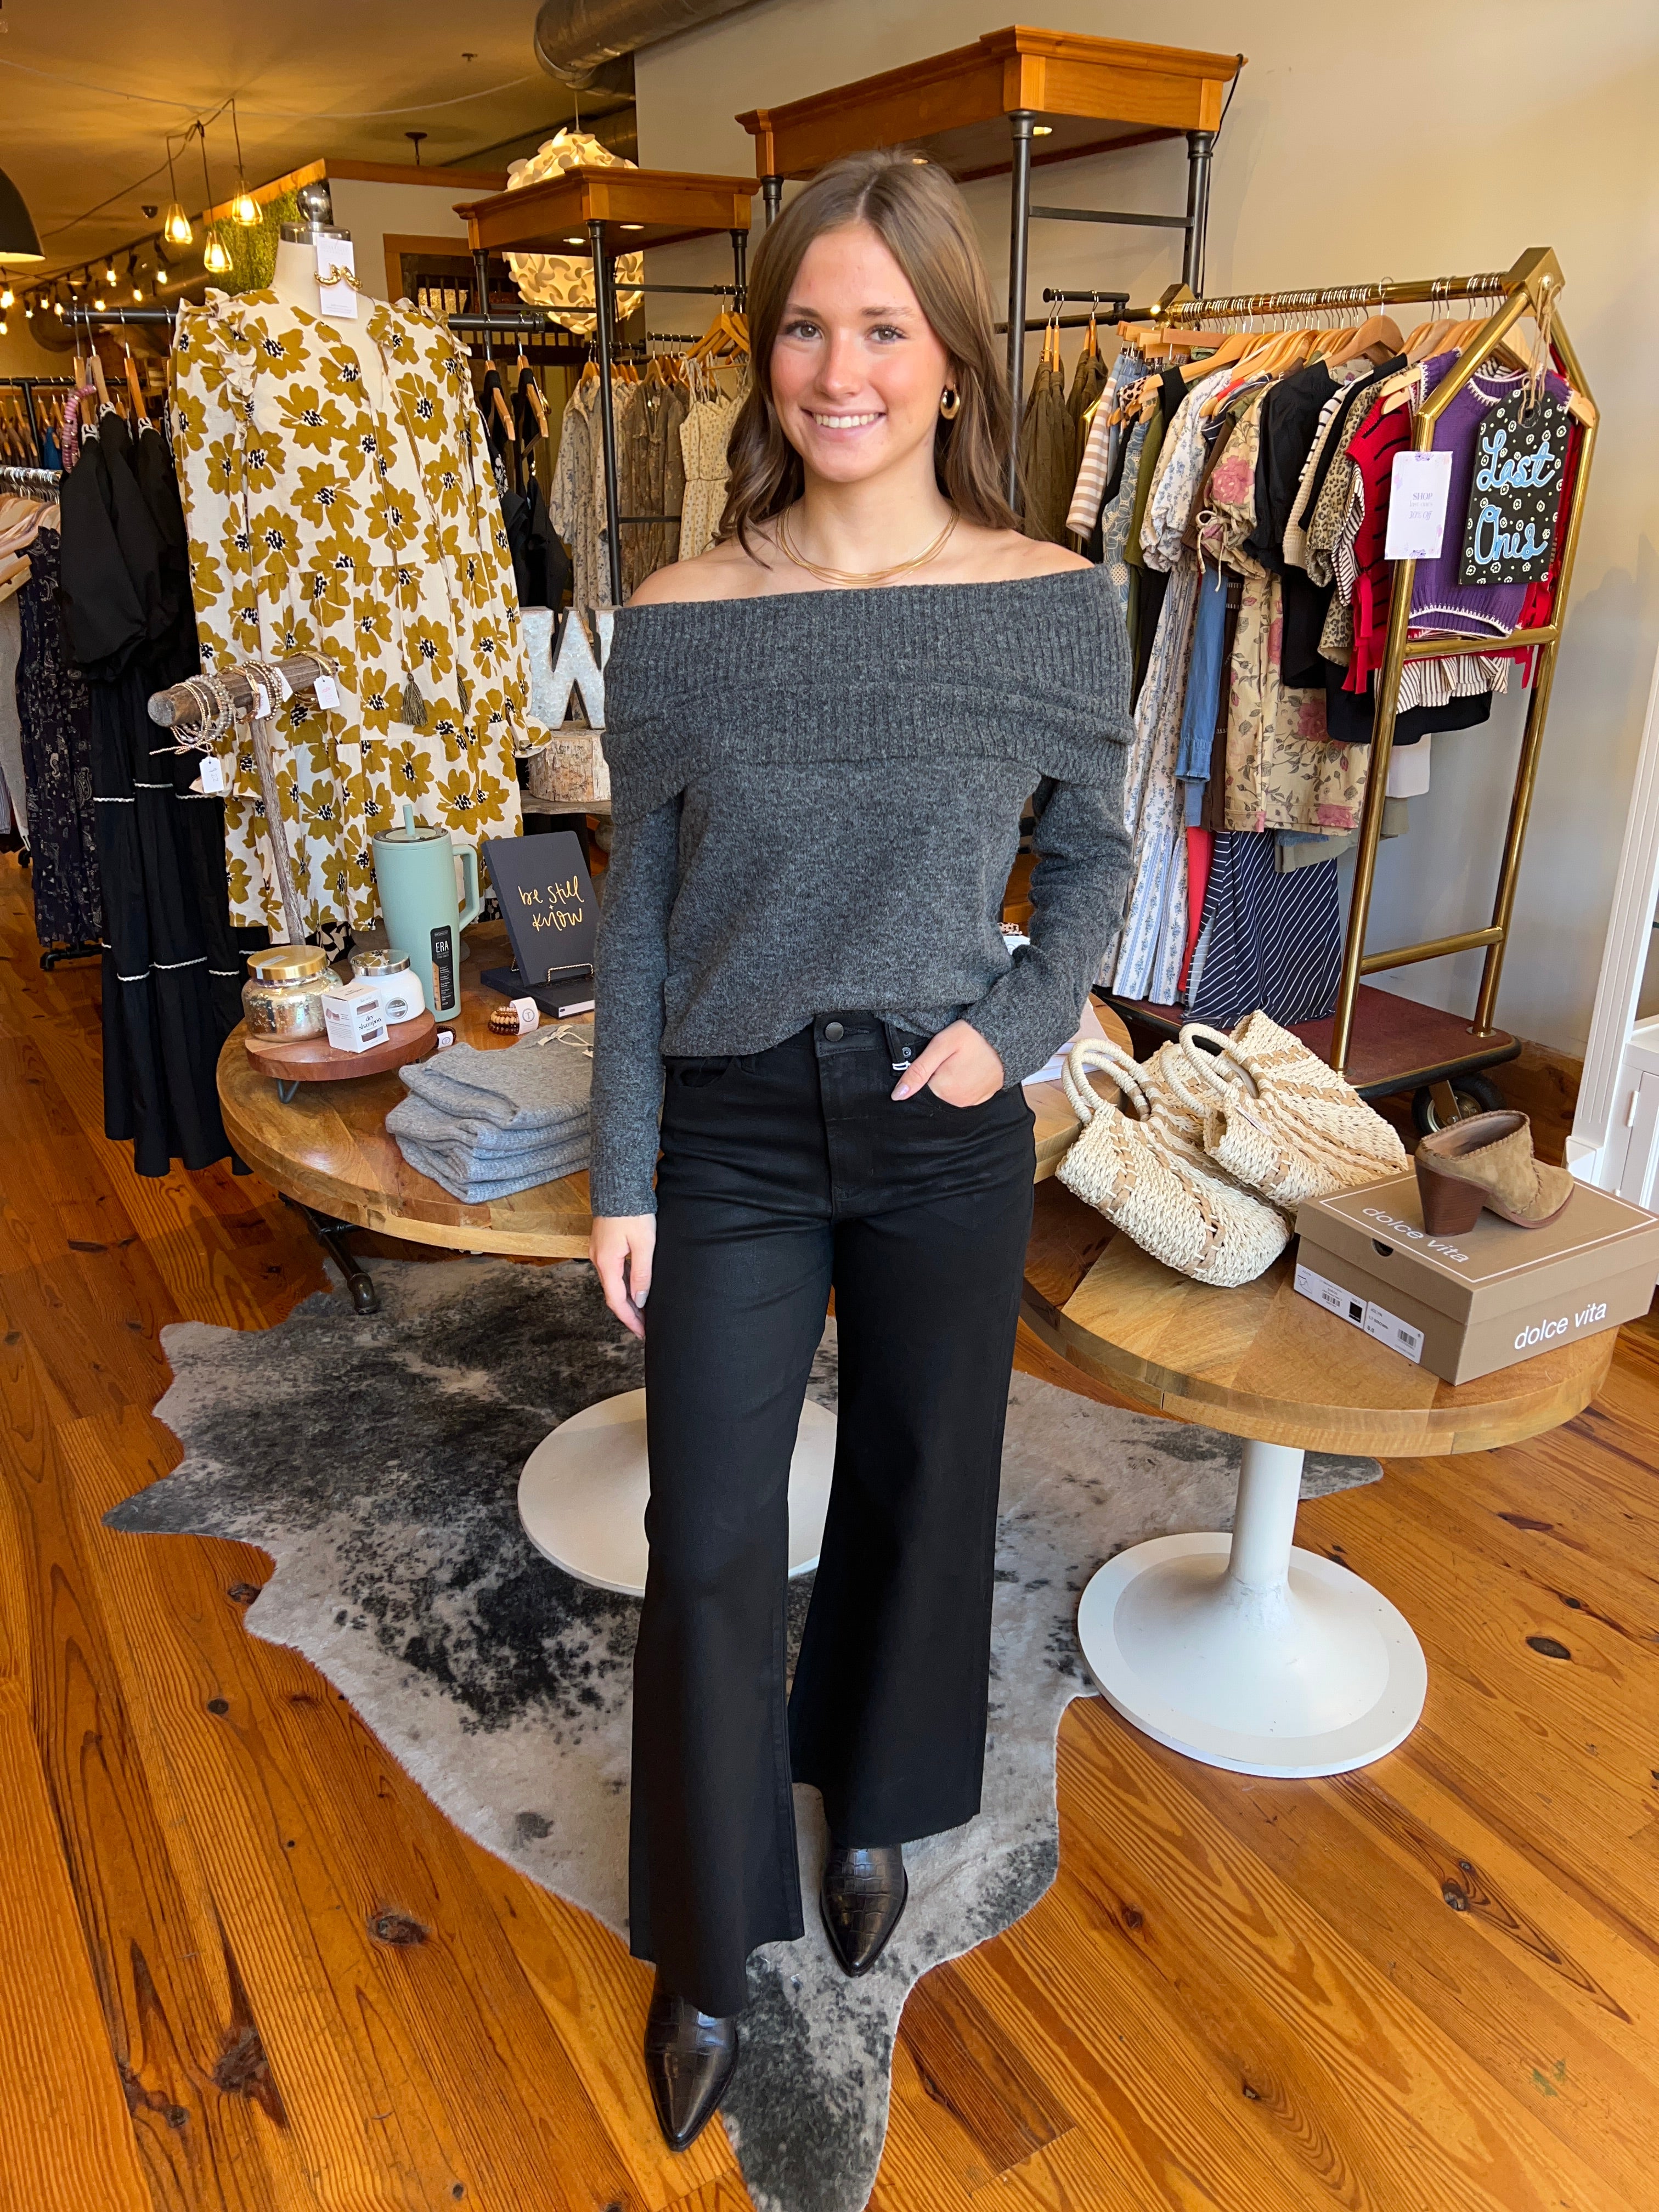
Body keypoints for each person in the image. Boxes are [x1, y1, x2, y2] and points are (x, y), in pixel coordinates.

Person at [589, 146, 1133, 2151]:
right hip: (730, 1128)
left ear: (953, 361)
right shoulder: (682, 615)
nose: (842, 370)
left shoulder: (1052, 604)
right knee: (710, 1536)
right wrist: (624, 1166)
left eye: (884, 329)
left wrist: (1018, 1029)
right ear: (765, 354)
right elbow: (640, 914)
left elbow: (1097, 856)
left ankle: (879, 1807)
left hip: (936, 1122)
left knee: (923, 1485)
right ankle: (707, 1940)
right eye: (807, 327)